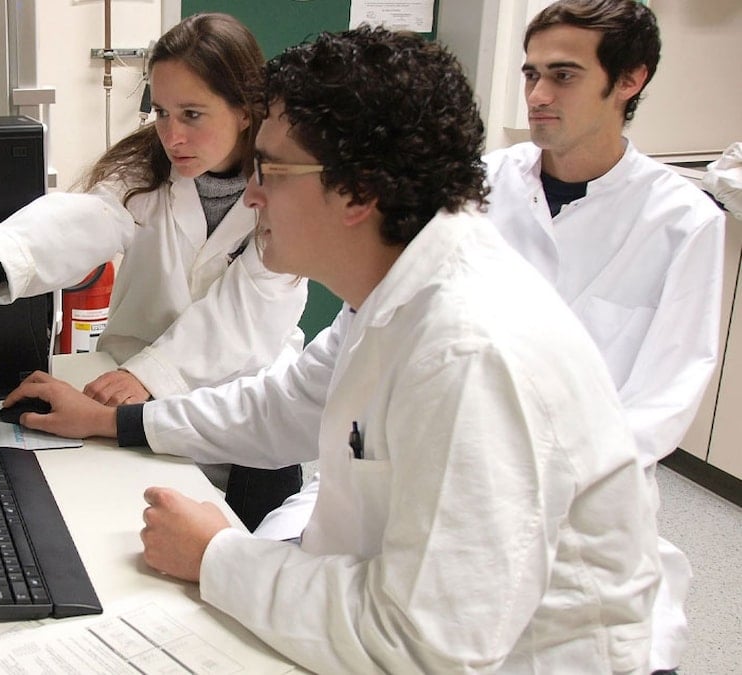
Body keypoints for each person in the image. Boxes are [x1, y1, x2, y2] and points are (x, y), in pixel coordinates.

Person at [4, 25, 661, 672]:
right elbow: (285, 405)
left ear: (360, 191)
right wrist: (115, 421)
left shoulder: (468, 352)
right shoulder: (398, 289)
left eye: (272, 170)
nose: (252, 193)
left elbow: (426, 643)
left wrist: (217, 555)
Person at [254, 3, 724, 670]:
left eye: (563, 76)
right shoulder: (484, 182)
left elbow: (663, 399)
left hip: (560, 520)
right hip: (423, 470)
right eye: (530, 74)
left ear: (630, 80)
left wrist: (525, 455)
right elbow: (359, 344)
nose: (538, 95)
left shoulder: (681, 220)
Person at [0, 13, 308, 526]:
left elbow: (243, 315)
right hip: (130, 402)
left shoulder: (283, 193)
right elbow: (77, 224)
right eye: (162, 112)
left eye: (192, 114)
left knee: (240, 551)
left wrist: (147, 374)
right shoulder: (147, 172)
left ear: (244, 110)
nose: (172, 135)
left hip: (242, 420)